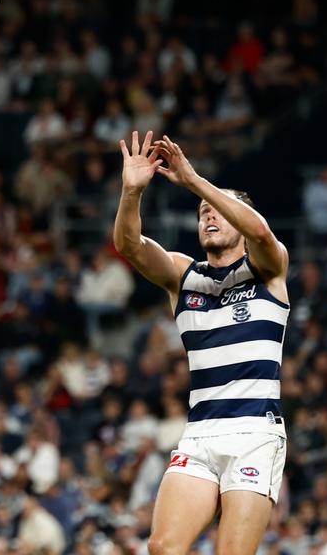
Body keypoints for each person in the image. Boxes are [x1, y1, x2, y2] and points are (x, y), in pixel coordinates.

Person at [113, 131, 289, 555]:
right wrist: (131, 193)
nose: (209, 216)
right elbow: (129, 246)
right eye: (202, 212)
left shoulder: (268, 270)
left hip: (254, 432)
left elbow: (262, 233)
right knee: (161, 547)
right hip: (200, 433)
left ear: (241, 222)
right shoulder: (183, 274)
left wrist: (193, 180)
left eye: (219, 211)